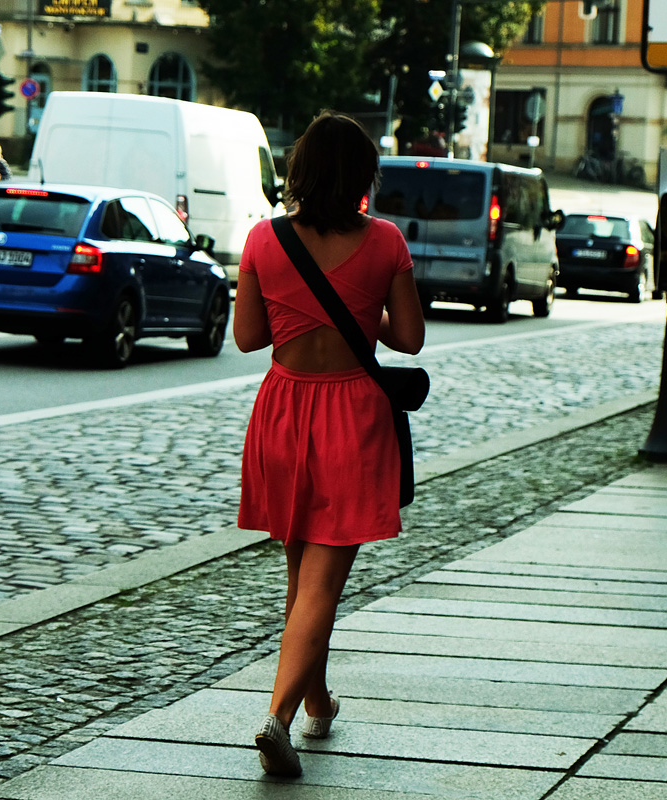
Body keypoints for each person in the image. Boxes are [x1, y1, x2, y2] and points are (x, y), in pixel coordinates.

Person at [232, 111, 425, 778]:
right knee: (322, 581)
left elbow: (250, 339)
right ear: (363, 178)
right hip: (350, 414)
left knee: (300, 572)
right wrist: (362, 303)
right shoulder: (386, 242)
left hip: (284, 410)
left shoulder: (263, 240)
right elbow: (409, 338)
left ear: (300, 172)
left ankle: (316, 696)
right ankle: (277, 720)